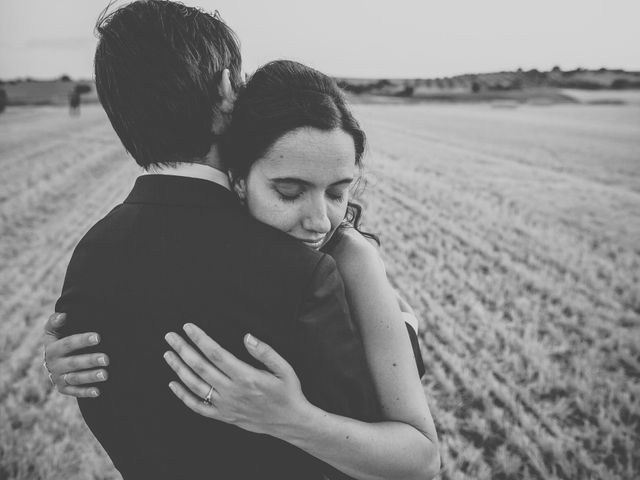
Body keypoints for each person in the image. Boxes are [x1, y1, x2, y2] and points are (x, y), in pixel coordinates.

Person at [46, 59, 440, 480]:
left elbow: (422, 460)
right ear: (237, 180)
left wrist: (293, 419)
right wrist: (78, 350)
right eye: (290, 192)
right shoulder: (217, 246)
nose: (321, 220)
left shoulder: (351, 257)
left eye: (338, 193)